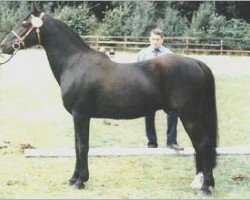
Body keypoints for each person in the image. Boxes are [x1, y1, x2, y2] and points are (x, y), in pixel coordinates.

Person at [137, 28, 183, 151]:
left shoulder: (169, 54)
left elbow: (175, 73)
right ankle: (152, 142)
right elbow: (136, 73)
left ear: (162, 40)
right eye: (153, 39)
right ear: (149, 39)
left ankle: (171, 141)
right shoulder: (142, 54)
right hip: (148, 90)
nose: (155, 42)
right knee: (148, 114)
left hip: (165, 91)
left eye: (157, 39)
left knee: (173, 112)